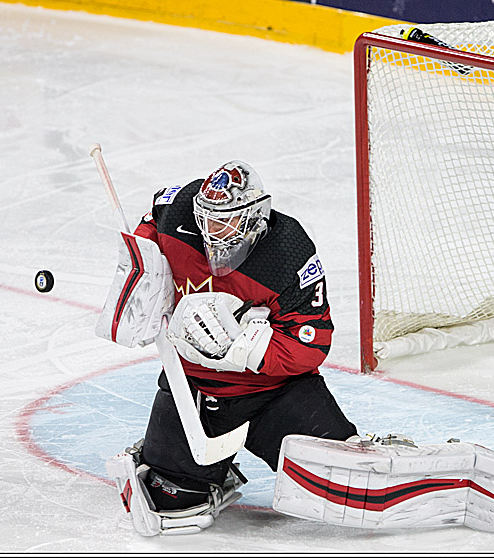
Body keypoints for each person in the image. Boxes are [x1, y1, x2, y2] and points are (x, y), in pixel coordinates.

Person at [120, 160, 357, 534]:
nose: (213, 232)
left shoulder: (287, 252)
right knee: (171, 502)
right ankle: (197, 465)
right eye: (208, 219)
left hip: (273, 393)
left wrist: (249, 347)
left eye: (226, 221)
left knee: (342, 483)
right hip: (195, 391)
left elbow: (314, 342)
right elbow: (151, 222)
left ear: (255, 216)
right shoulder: (179, 210)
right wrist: (147, 266)